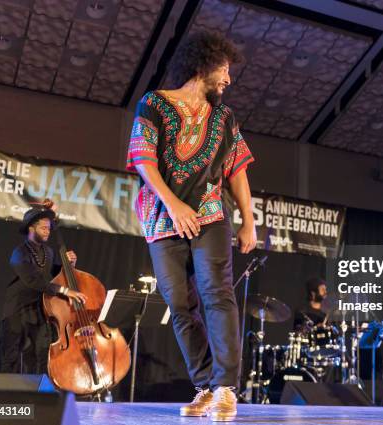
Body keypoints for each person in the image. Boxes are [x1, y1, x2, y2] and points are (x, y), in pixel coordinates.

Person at [127, 31, 256, 422]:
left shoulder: (225, 117)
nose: (228, 79)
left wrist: (249, 221)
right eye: (225, 70)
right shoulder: (153, 103)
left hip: (210, 214)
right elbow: (143, 159)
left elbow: (237, 172)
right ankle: (205, 386)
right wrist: (173, 203)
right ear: (204, 64)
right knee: (179, 304)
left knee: (217, 292)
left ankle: (226, 388)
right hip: (161, 216)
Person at [1, 200, 87, 375]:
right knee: (11, 357)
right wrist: (64, 291)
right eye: (44, 228)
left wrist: (68, 265)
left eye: (49, 228)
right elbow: (32, 280)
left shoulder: (48, 252)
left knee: (41, 354)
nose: (48, 231)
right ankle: (4, 396)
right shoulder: (19, 253)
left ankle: (38, 395)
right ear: (31, 229)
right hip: (17, 310)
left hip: (40, 310)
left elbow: (53, 276)